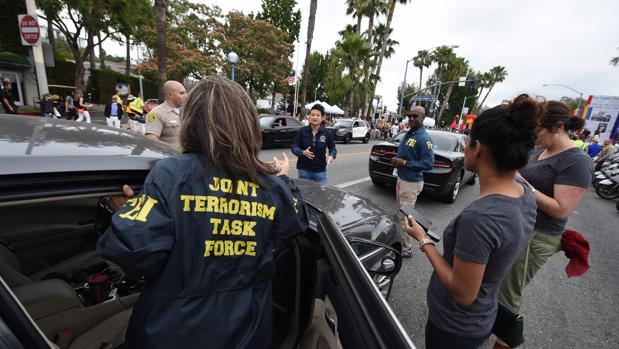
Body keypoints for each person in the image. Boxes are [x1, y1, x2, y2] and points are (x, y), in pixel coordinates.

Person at [97, 76, 308, 349]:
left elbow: (132, 252)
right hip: (247, 333)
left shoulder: (169, 175)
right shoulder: (271, 186)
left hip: (173, 333)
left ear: (192, 122)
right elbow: (297, 220)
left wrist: (126, 210)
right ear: (248, 125)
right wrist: (282, 179)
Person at [402, 94, 541, 349]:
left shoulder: (481, 218)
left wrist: (423, 240)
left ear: (478, 147)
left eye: (467, 141)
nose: (465, 147)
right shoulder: (525, 193)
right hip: (481, 317)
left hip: (454, 327)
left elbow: (463, 293)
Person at [495, 100, 594, 349]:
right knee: (495, 283)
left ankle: (506, 340)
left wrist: (521, 182)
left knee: (508, 294)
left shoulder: (577, 161)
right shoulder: (539, 150)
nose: (533, 136)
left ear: (558, 127)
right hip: (517, 223)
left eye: (537, 130)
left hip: (537, 236)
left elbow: (561, 209)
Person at [391, 105, 434, 258]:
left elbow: (429, 164)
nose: (412, 118)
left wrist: (405, 164)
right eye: (410, 115)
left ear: (423, 118)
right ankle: (400, 241)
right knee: (400, 214)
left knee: (405, 218)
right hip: (402, 180)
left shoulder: (423, 138)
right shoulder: (410, 133)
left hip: (411, 183)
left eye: (416, 116)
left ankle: (406, 248)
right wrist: (397, 161)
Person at [291, 104, 337, 185]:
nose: (314, 117)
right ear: (309, 117)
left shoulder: (327, 133)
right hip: (303, 170)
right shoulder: (302, 131)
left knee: (321, 195)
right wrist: (302, 152)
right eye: (312, 115)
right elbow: (294, 147)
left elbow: (333, 148)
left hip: (320, 171)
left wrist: (331, 156)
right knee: (304, 195)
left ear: (322, 118)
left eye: (317, 115)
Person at [145, 80, 187, 150]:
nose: (186, 96)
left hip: (186, 156)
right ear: (170, 95)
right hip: (170, 157)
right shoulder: (156, 113)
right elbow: (152, 139)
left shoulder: (185, 110)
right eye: (182, 93)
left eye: (185, 92)